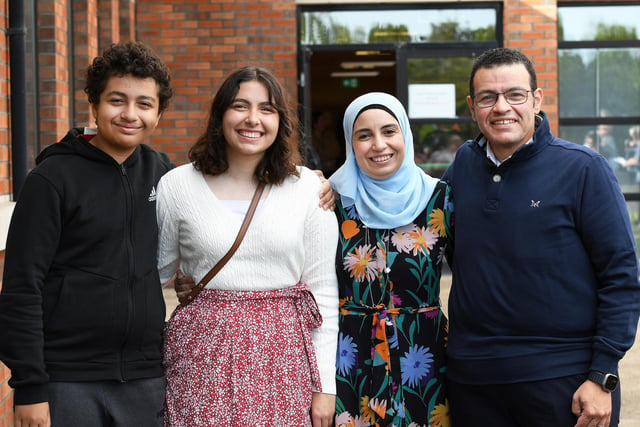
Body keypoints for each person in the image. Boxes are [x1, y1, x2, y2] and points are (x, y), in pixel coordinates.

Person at [442, 47, 640, 427]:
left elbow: (621, 278)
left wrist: (603, 374)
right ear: (472, 106)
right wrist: (334, 187)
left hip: (563, 381)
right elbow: (409, 224)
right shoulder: (463, 166)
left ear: (536, 100)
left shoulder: (584, 170)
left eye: (515, 94)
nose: (501, 107)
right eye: (488, 97)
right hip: (473, 383)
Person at [0, 41, 174, 426]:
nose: (130, 114)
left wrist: (304, 182)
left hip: (144, 378)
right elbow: (21, 287)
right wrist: (30, 386)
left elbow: (228, 192)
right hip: (67, 379)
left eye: (145, 104)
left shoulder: (164, 174)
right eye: (117, 100)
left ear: (158, 113)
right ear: (93, 106)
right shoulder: (51, 180)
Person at [157, 66, 339, 426]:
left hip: (283, 360)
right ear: (221, 113)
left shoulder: (307, 189)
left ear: (280, 121)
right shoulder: (177, 186)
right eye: (240, 106)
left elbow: (324, 294)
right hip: (200, 358)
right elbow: (150, 274)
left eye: (267, 109)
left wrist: (326, 386)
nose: (252, 119)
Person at [330, 92, 452, 426]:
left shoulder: (439, 198)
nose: (379, 145)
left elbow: (477, 275)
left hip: (424, 361)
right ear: (350, 143)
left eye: (389, 131)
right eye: (364, 135)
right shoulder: (331, 201)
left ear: (406, 136)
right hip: (350, 362)